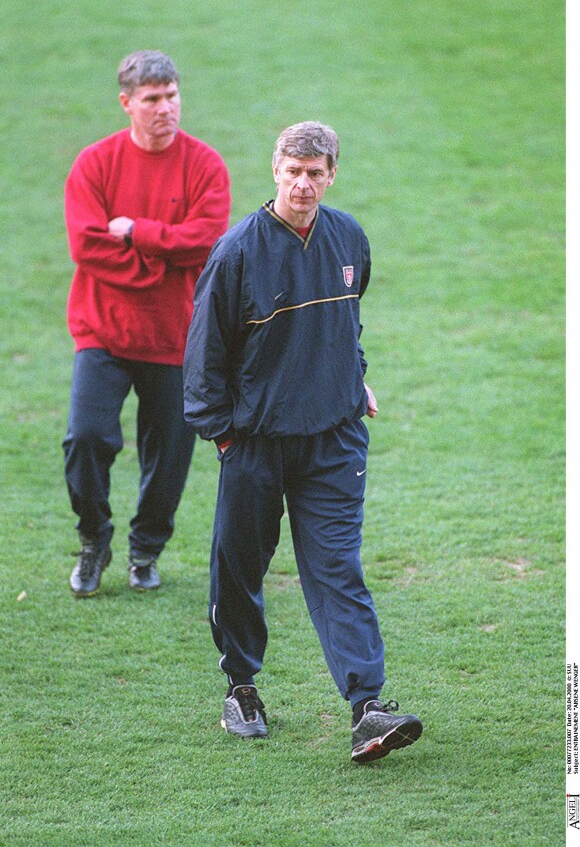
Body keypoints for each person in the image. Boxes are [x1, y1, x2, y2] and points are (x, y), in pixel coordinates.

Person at [182, 121, 422, 763]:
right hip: (255, 444)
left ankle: (367, 707)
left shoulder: (349, 238)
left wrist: (356, 377)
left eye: (316, 172)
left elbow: (348, 320)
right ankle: (241, 687)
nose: (304, 183)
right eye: (294, 170)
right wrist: (225, 438)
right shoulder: (236, 253)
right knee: (240, 568)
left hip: (335, 441)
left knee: (338, 570)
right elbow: (203, 356)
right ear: (275, 170)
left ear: (332, 174)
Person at [63, 50, 231, 597]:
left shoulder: (205, 165)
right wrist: (162, 258)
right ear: (127, 103)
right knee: (86, 437)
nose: (166, 108)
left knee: (171, 456)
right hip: (102, 331)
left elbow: (206, 242)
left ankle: (145, 551)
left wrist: (135, 232)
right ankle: (94, 541)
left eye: (172, 95)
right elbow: (86, 246)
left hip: (175, 337)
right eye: (153, 99)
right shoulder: (94, 163)